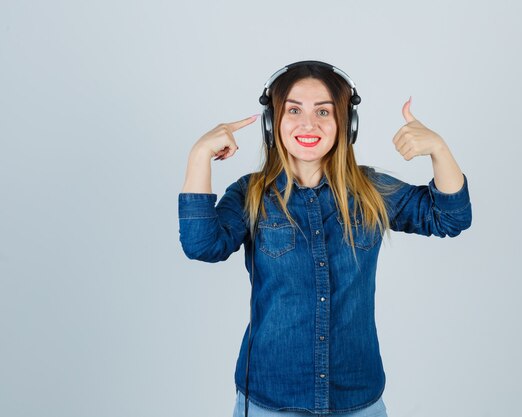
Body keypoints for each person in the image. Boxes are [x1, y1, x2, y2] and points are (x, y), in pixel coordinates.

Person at [178, 61, 472, 417]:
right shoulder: (250, 193)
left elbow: (450, 217)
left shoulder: (371, 189)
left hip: (356, 399)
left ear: (346, 124)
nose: (308, 124)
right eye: (294, 110)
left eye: (323, 111)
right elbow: (201, 245)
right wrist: (199, 157)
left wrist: (439, 149)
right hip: (271, 398)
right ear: (272, 124)